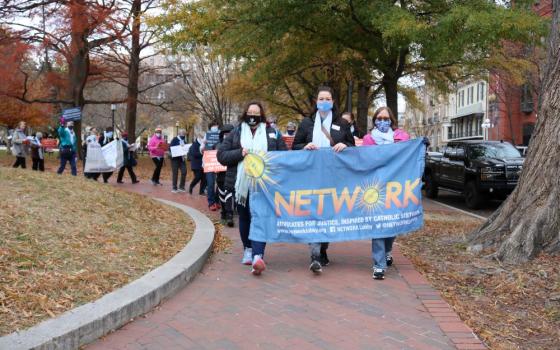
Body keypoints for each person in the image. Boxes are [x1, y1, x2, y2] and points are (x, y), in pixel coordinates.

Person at [217, 101, 287, 275]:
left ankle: (258, 255)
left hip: (264, 184)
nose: (253, 116)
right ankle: (248, 249)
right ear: (245, 114)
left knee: (261, 217)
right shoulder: (236, 132)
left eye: (256, 113)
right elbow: (221, 155)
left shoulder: (272, 133)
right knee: (245, 216)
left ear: (261, 114)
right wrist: (239, 153)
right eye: (250, 113)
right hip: (242, 185)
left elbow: (284, 156)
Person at [292, 86, 355, 274]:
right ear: (316, 101)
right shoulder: (306, 123)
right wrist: (305, 146)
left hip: (333, 176)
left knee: (327, 213)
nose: (324, 101)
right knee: (314, 213)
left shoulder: (342, 123)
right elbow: (295, 146)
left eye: (328, 98)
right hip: (310, 175)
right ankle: (315, 254)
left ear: (333, 102)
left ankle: (323, 248)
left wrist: (345, 145)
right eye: (321, 98)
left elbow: (352, 145)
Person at [363, 106, 410, 280]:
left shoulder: (401, 137)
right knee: (378, 225)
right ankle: (379, 264)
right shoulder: (368, 139)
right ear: (375, 120)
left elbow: (408, 155)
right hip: (375, 187)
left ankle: (387, 250)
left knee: (391, 223)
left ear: (391, 120)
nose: (383, 121)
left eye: (386, 118)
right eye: (379, 118)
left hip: (396, 186)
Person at [216, 124, 235, 227]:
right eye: (225, 134)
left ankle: (229, 215)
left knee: (229, 195)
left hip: (231, 173)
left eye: (229, 134)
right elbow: (210, 159)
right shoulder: (217, 145)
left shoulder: (236, 145)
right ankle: (223, 213)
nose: (227, 136)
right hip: (220, 175)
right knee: (222, 194)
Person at [202, 121, 221, 210]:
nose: (215, 127)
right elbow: (201, 149)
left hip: (218, 162)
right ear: (210, 127)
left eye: (216, 125)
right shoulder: (207, 135)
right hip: (209, 161)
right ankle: (211, 203)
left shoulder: (221, 134)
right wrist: (203, 146)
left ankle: (217, 201)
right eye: (213, 125)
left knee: (220, 183)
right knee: (210, 183)